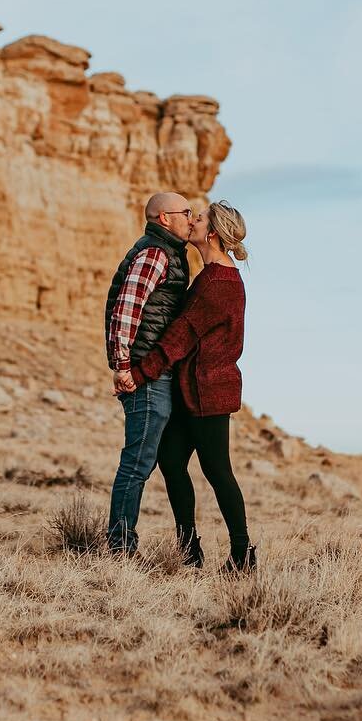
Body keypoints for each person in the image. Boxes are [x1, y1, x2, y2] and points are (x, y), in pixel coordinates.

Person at [129, 200, 253, 573]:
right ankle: (189, 548)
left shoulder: (219, 282)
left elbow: (179, 336)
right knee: (171, 461)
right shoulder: (212, 274)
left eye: (198, 218)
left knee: (218, 472)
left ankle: (242, 555)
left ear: (212, 231)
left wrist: (139, 373)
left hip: (209, 392)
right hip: (194, 390)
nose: (192, 222)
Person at [102, 192, 193, 554]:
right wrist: (123, 366)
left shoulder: (168, 253)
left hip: (153, 372)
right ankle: (120, 545)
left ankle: (123, 540)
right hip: (145, 374)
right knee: (138, 461)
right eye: (185, 212)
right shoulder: (155, 253)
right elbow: (126, 308)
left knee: (144, 459)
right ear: (163, 218)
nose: (191, 217)